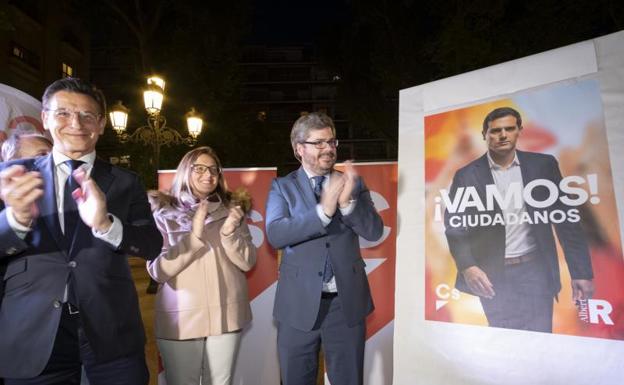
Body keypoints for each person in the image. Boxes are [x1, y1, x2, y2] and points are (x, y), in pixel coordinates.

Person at [0, 77, 162, 384]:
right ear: (45, 118)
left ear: (101, 124)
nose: (76, 123)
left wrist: (106, 225)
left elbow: (152, 245)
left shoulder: (126, 181)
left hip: (111, 333)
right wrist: (16, 219)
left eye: (87, 115)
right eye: (63, 113)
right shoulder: (12, 176)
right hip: (32, 332)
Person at [444, 106, 594, 332]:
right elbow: (454, 226)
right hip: (491, 275)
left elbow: (566, 221)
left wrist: (581, 272)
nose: (502, 135)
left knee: (540, 339)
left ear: (519, 131)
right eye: (495, 131)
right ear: (485, 134)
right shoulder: (466, 175)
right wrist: (468, 266)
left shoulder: (543, 165)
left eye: (509, 129)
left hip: (536, 270)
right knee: (503, 342)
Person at [265, 112, 383, 385]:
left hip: (346, 305)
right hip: (297, 304)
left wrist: (346, 205)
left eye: (332, 142)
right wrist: (323, 211)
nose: (329, 149)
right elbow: (276, 233)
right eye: (319, 143)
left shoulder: (353, 183)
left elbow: (374, 231)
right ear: (299, 149)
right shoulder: (282, 187)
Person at [146, 146, 256, 385]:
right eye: (200, 168)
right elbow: (158, 271)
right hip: (181, 316)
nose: (208, 175)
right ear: (186, 170)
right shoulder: (162, 212)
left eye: (214, 169)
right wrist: (193, 238)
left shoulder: (232, 210)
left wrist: (229, 233)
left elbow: (247, 262)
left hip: (226, 314)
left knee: (219, 382)